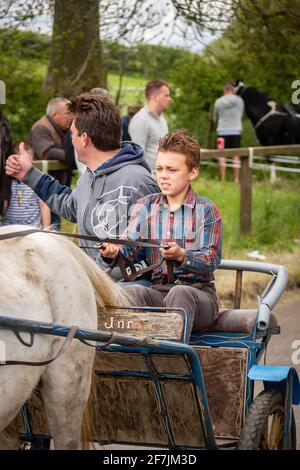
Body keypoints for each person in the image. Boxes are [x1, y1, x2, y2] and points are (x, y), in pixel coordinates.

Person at [6, 93, 159, 278]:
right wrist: (28, 175)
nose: (71, 139)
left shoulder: (138, 182)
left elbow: (153, 254)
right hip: (89, 284)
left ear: (84, 138)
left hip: (125, 294)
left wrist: (107, 280)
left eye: (72, 133)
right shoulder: (89, 177)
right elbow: (71, 206)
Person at [100, 129, 223, 338]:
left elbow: (211, 259)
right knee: (130, 292)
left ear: (193, 172)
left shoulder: (206, 210)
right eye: (159, 168)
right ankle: (126, 355)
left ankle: (173, 356)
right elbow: (128, 247)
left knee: (180, 292)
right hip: (159, 291)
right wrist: (113, 251)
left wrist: (182, 256)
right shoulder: (145, 206)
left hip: (198, 294)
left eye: (172, 170)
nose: (164, 175)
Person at [29, 97, 74, 228]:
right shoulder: (40, 128)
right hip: (44, 188)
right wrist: (73, 155)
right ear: (55, 115)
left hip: (55, 187)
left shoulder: (65, 129)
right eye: (67, 113)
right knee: (52, 230)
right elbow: (47, 152)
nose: (70, 117)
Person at [0, 142, 50, 228]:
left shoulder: (37, 180)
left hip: (31, 228)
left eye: (29, 161)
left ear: (33, 160)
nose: (25, 165)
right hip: (7, 228)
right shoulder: (5, 181)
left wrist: (46, 229)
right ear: (13, 160)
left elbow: (44, 206)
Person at [129, 80, 171, 174]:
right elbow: (138, 157)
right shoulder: (140, 120)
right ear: (155, 97)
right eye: (166, 95)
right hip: (149, 179)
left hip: (163, 177)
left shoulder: (162, 119)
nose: (170, 99)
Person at [213, 83, 244, 183]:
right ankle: (236, 179)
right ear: (233, 90)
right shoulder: (239, 100)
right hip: (236, 132)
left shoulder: (218, 102)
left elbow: (215, 118)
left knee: (222, 155)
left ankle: (223, 179)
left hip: (222, 132)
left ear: (224, 90)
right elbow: (241, 114)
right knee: (236, 155)